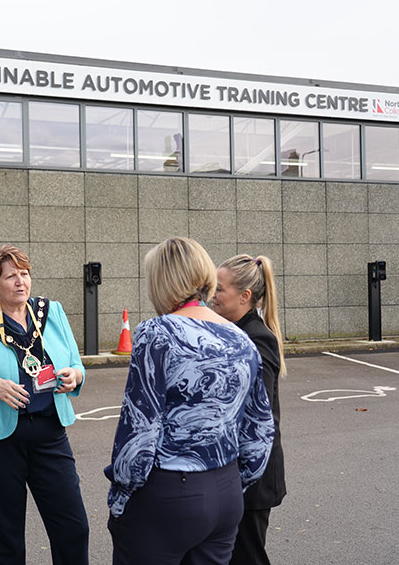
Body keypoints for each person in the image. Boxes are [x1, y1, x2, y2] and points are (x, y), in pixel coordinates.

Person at [105, 237, 274, 565]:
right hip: (225, 493)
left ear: (162, 282)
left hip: (169, 493)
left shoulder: (157, 334)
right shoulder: (242, 339)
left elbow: (139, 429)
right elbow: (260, 432)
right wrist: (231, 482)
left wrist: (121, 494)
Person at [0, 245, 89, 565]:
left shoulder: (51, 312)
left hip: (49, 434)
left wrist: (74, 376)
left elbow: (76, 364)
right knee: (6, 539)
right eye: (11, 276)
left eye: (25, 274)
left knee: (73, 528)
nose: (21, 282)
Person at [212, 255, 287, 565]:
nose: (211, 295)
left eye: (219, 289)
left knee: (247, 557)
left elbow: (259, 415)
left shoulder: (257, 339)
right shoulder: (234, 331)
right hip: (237, 473)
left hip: (253, 476)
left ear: (244, 297)